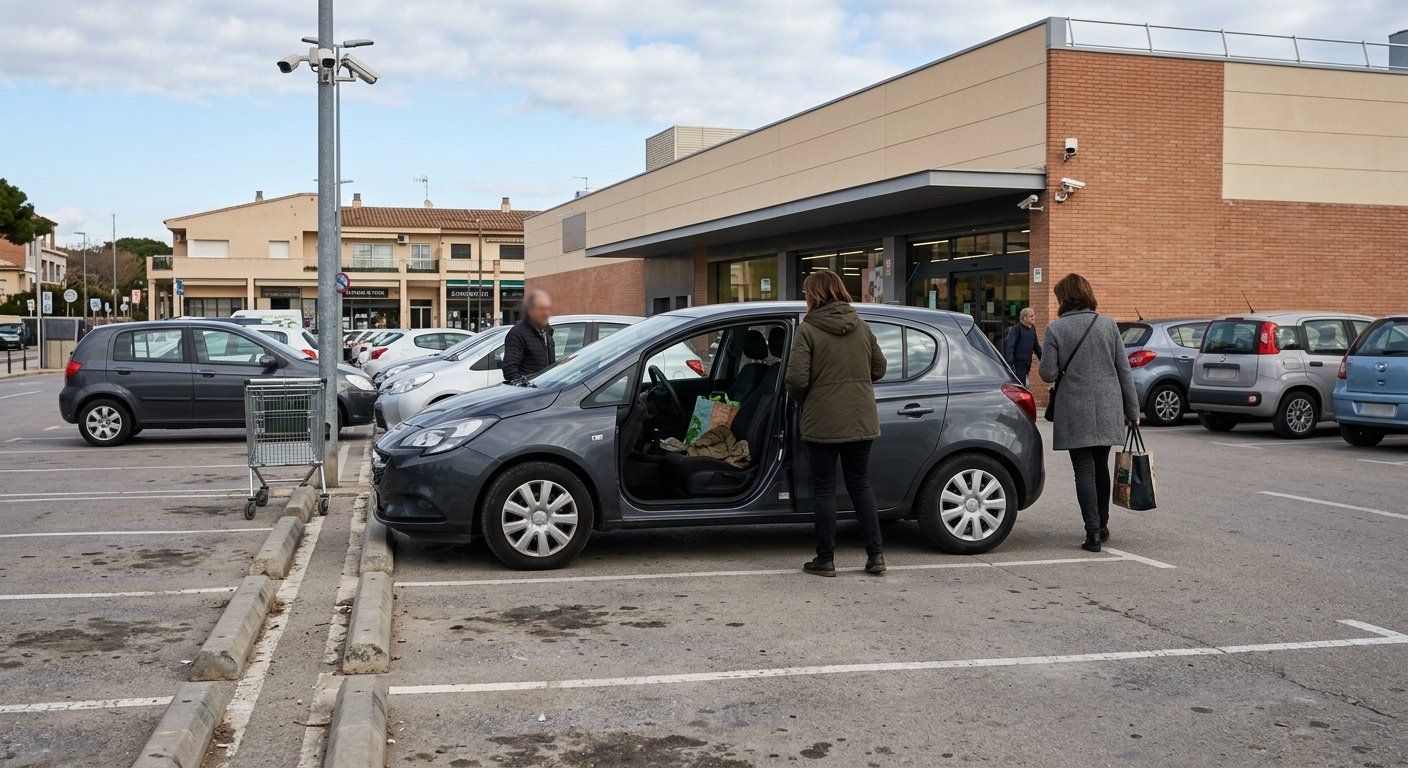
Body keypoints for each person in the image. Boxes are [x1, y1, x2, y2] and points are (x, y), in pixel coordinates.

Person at [785, 270, 888, 577]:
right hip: (861, 419)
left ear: (814, 295)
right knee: (860, 484)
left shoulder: (809, 330)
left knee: (825, 489)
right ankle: (876, 556)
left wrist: (807, 397)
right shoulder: (861, 326)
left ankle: (825, 559)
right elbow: (879, 368)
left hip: (823, 422)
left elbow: (795, 379)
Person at [1037, 274, 1139, 553]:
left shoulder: (1055, 329)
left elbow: (1048, 374)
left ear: (1064, 298)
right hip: (1108, 406)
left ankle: (1092, 532)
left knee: (1083, 470)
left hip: (1075, 409)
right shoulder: (1108, 325)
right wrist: (1132, 410)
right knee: (1100, 467)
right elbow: (1124, 371)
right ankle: (1103, 525)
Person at [501, 289, 555, 384]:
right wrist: (528, 385)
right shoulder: (517, 334)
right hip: (529, 394)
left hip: (547, 391)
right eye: (541, 309)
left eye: (548, 309)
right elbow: (510, 371)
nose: (546, 313)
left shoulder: (547, 332)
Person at [1003, 307, 1042, 387]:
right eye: (1031, 316)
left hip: (1027, 365)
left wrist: (1044, 360)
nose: (1034, 318)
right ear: (1024, 317)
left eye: (1034, 316)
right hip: (1018, 366)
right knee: (1021, 388)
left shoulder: (1032, 329)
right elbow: (1010, 347)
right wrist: (1010, 365)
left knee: (1025, 387)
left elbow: (1036, 347)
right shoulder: (1016, 329)